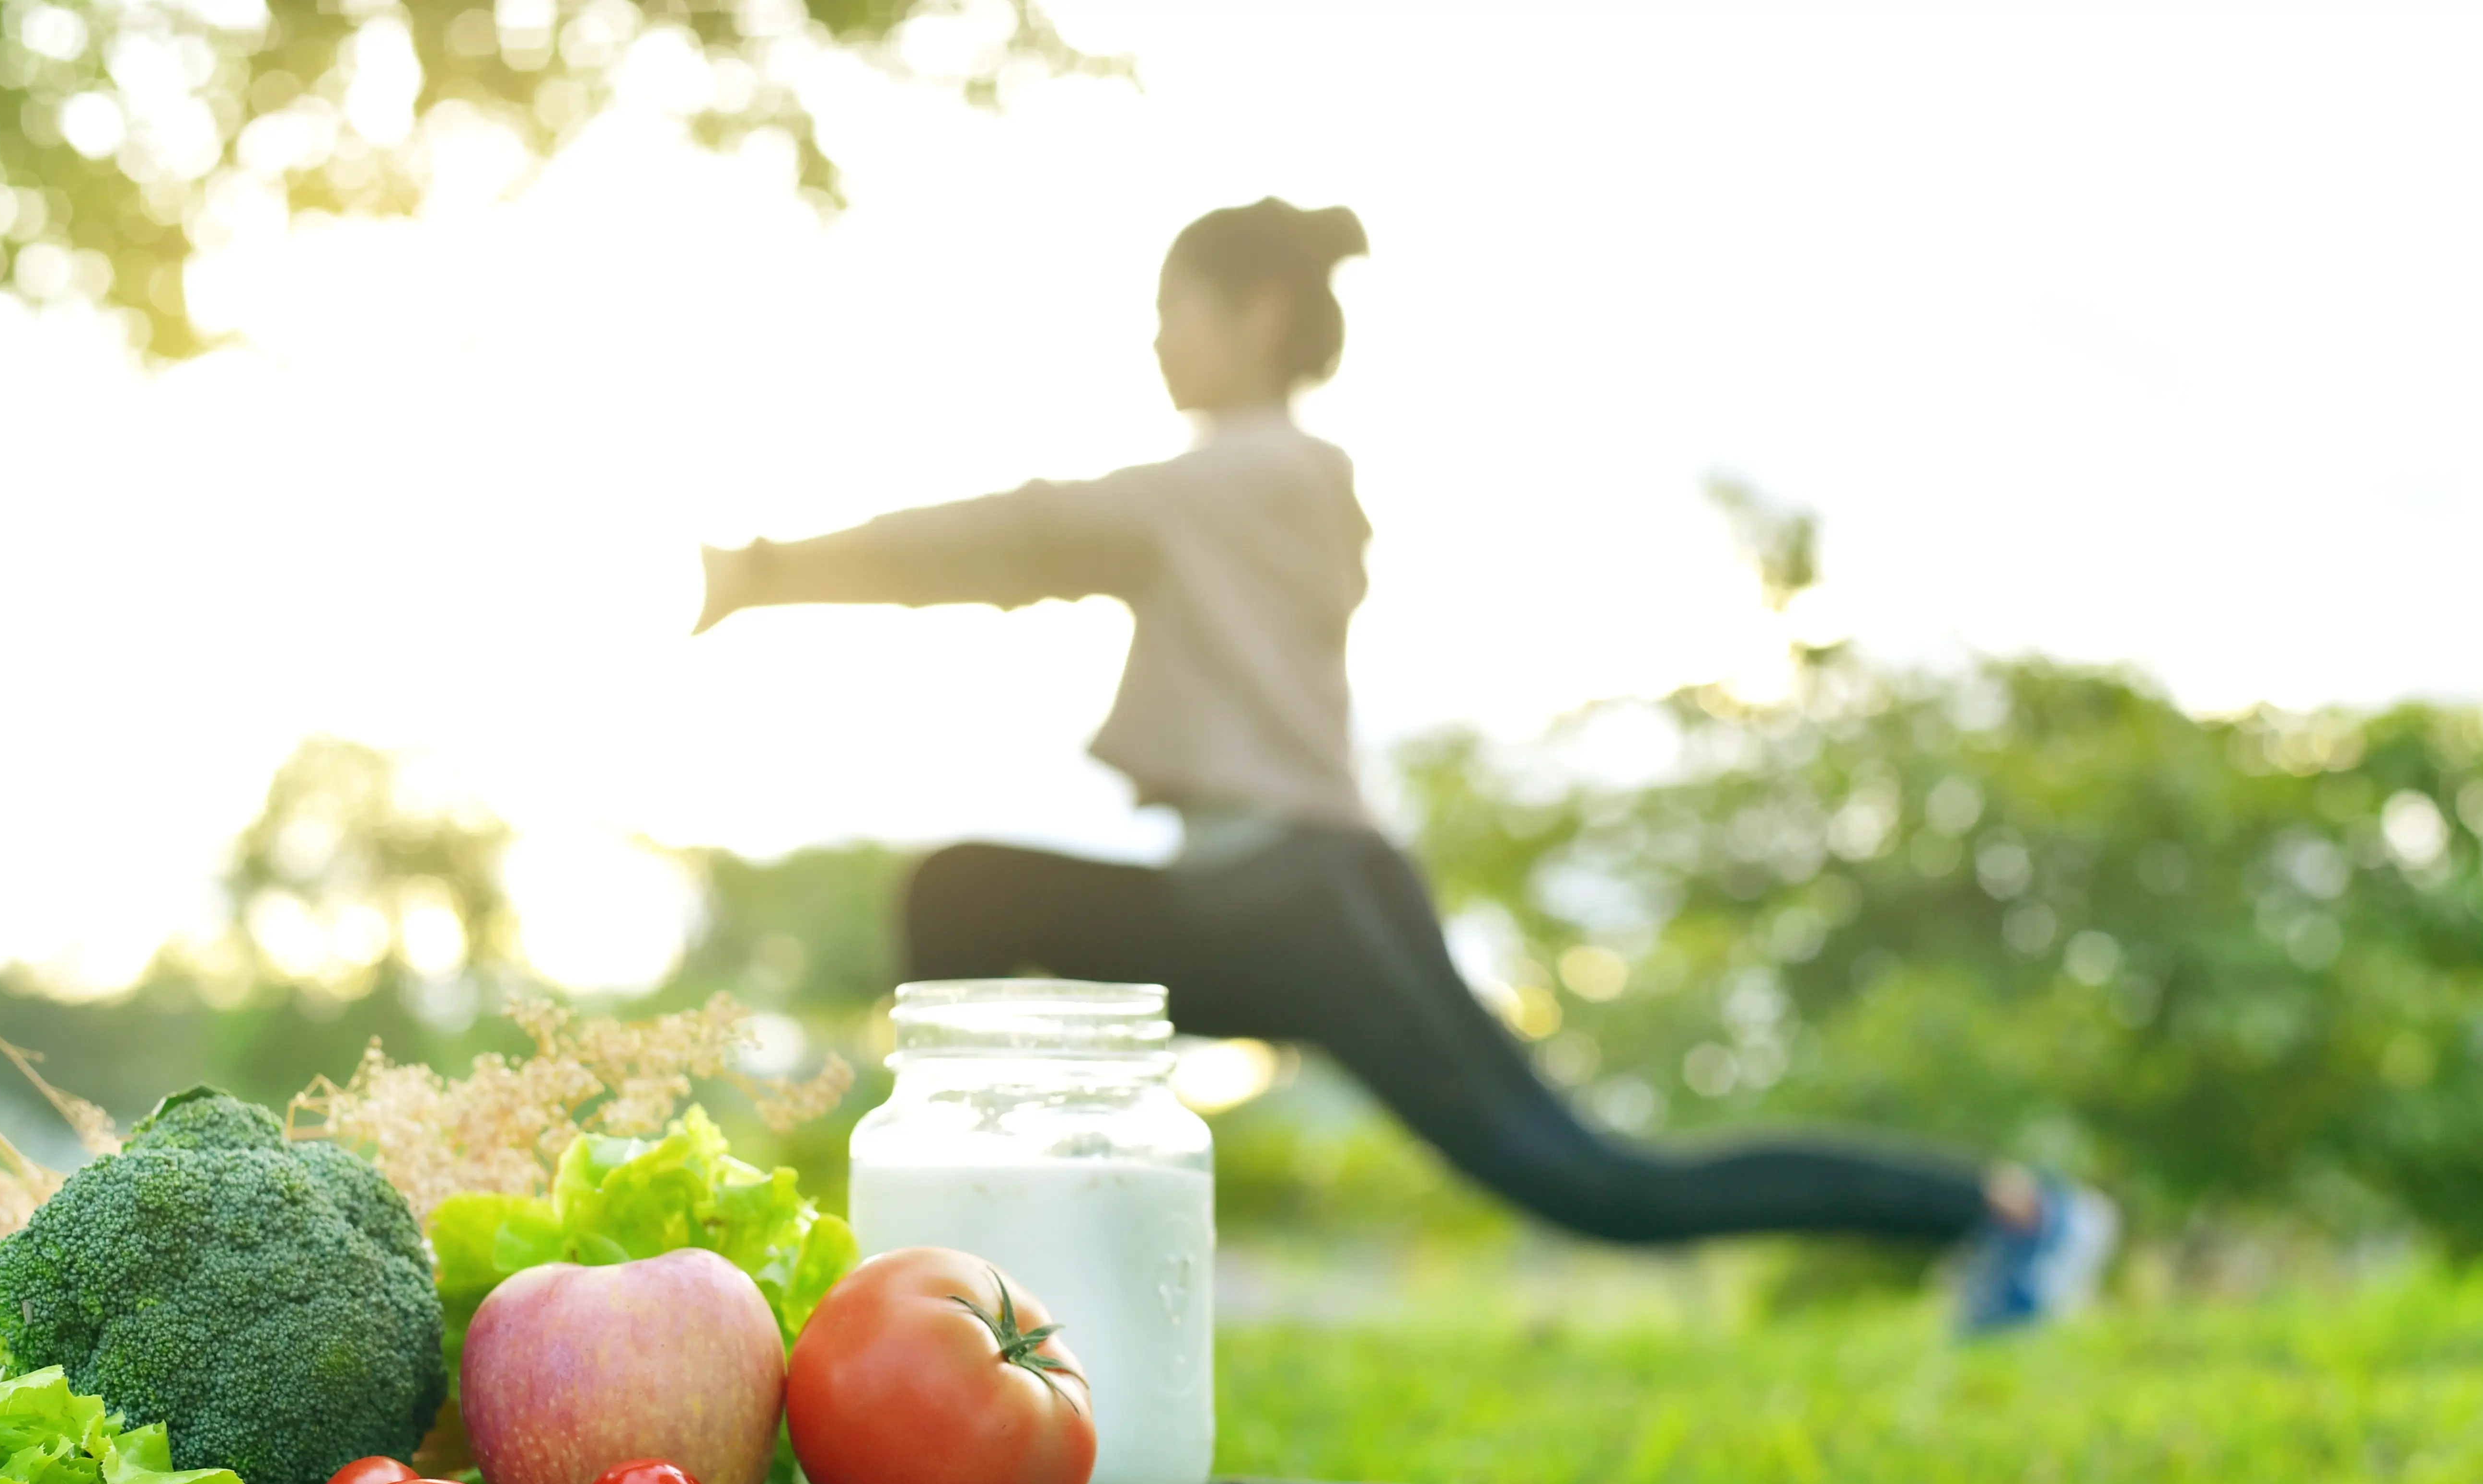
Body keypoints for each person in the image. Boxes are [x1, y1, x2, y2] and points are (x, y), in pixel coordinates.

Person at [693, 198, 2115, 1330]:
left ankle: (2006, 1212)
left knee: (1600, 1183)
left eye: (1165, 312)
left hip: (1296, 902)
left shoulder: (1262, 476)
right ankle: (974, 1287)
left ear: (1252, 313)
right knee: (966, 902)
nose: (1150, 341)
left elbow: (1007, 538)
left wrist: (768, 569)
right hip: (1274, 900)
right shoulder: (1254, 489)